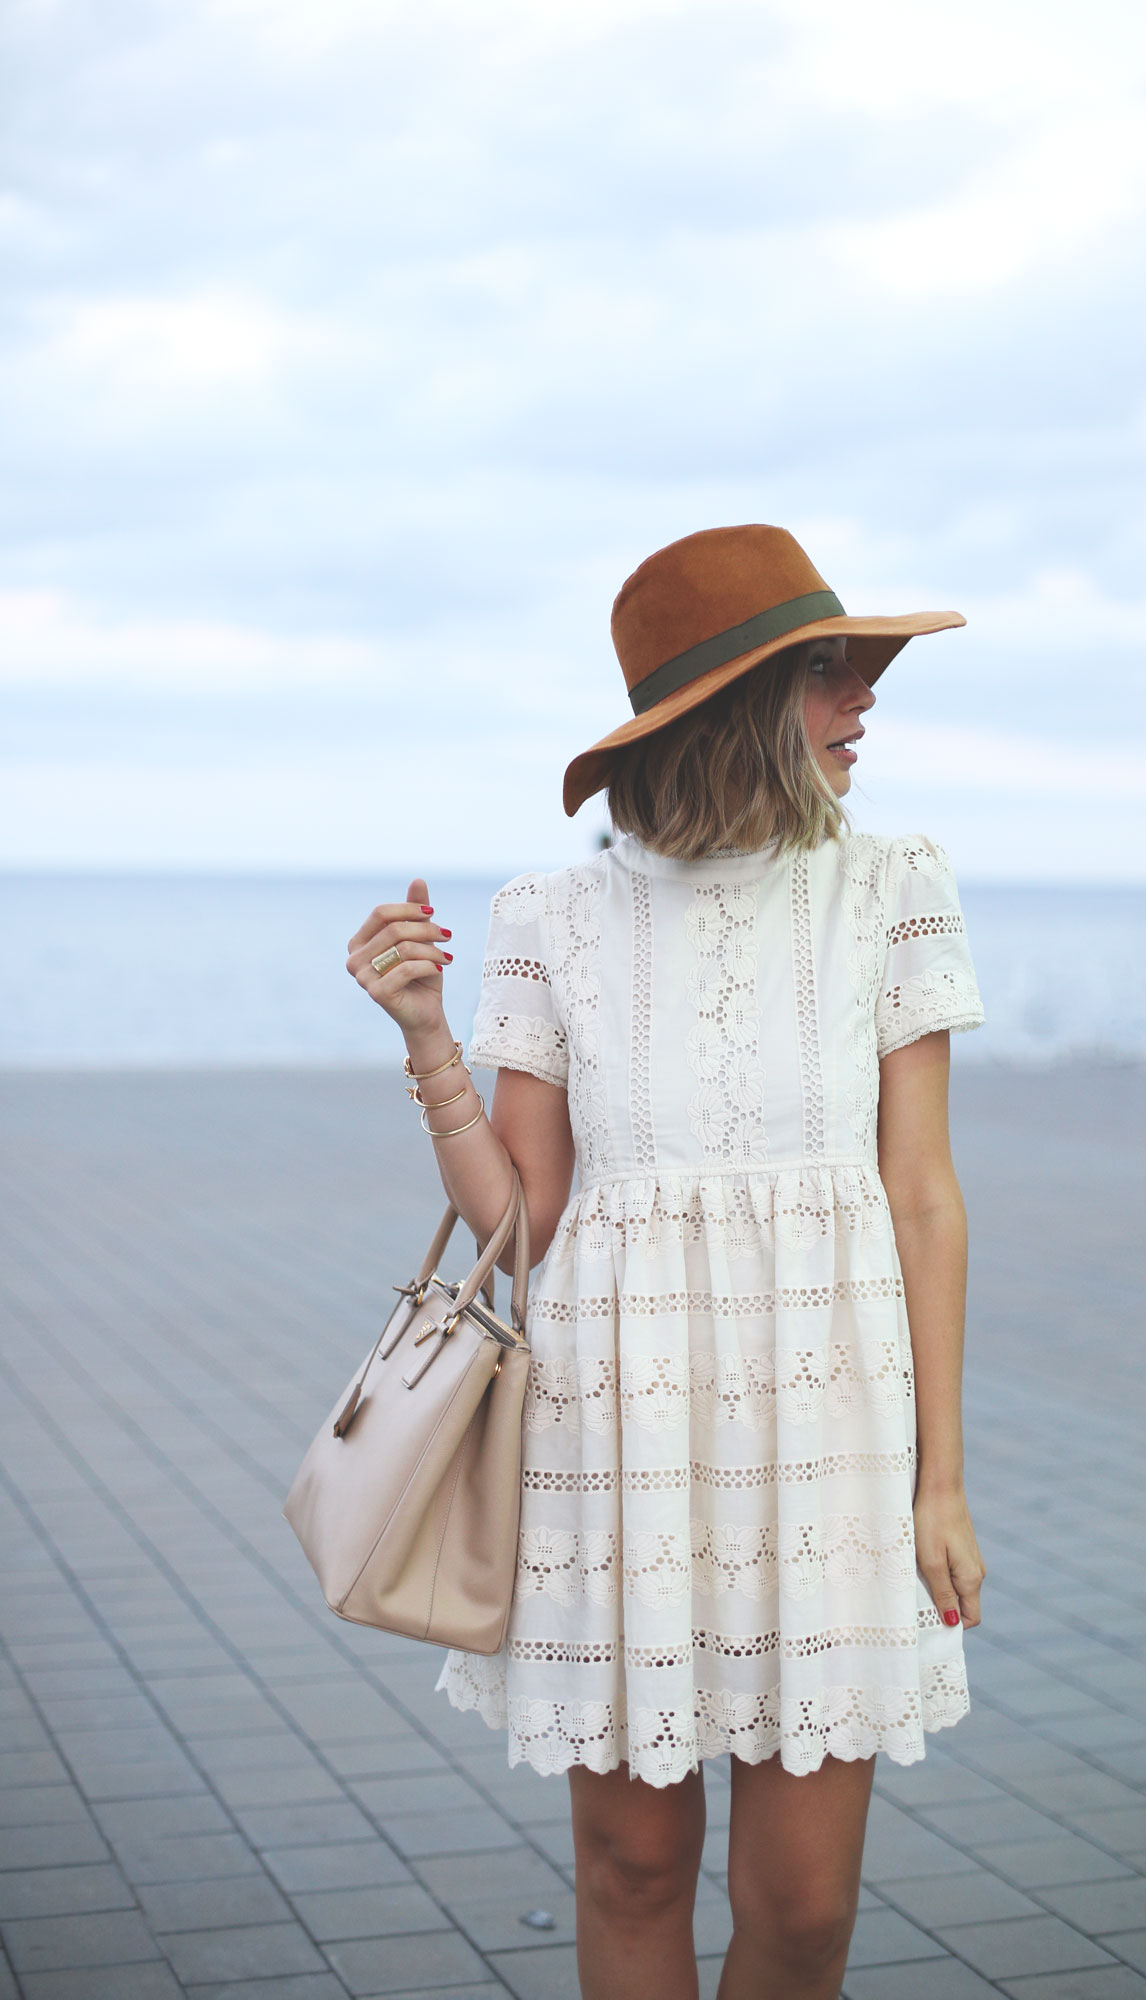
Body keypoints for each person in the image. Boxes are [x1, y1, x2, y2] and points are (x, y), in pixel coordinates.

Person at [347, 524, 987, 2000]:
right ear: (735, 709)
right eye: (830, 673)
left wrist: (939, 1475)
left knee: (804, 1905)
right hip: (611, 1431)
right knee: (630, 1870)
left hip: (832, 1439)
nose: (863, 704)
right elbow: (527, 1233)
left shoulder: (888, 884)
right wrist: (430, 1042)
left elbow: (925, 1196)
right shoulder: (549, 915)